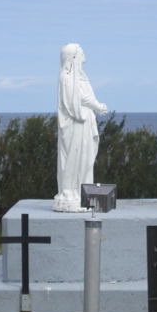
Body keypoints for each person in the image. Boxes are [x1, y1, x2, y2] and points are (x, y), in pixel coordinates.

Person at [53, 44, 107, 212]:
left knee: (85, 158)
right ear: (74, 56)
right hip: (74, 123)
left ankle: (84, 191)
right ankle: (69, 192)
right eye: (81, 52)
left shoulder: (81, 76)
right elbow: (77, 97)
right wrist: (97, 106)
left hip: (85, 124)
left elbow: (83, 95)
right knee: (72, 157)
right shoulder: (66, 76)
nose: (84, 55)